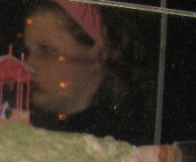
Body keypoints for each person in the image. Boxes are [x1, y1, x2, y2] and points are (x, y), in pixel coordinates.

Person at [22, 0, 153, 144]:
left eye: (47, 50)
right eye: (28, 51)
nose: (28, 64)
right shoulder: (25, 130)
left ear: (99, 57)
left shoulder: (115, 145)